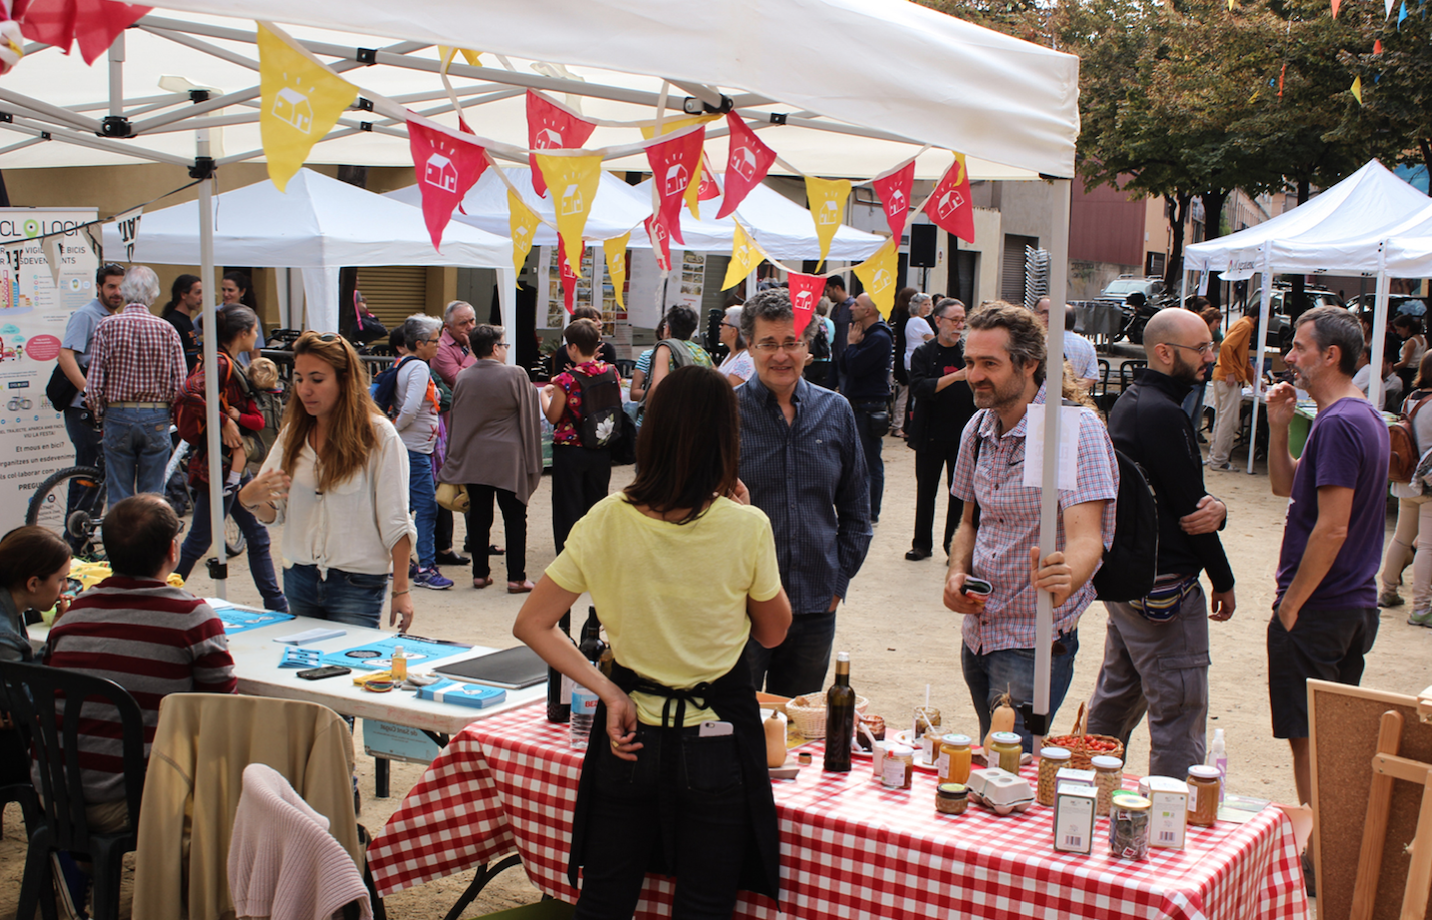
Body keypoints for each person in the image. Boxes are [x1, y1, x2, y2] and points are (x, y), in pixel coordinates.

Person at [513, 364, 792, 919]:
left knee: (606, 895)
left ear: (652, 431)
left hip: (630, 729)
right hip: (717, 733)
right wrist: (743, 514)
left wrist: (610, 693)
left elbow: (532, 623)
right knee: (705, 903)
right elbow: (774, 630)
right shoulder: (745, 524)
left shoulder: (606, 519)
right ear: (724, 438)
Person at [941, 301, 1118, 750]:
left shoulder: (1065, 429)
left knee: (1008, 763)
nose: (975, 375)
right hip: (980, 629)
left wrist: (1066, 575)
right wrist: (956, 571)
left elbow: (1087, 538)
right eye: (969, 363)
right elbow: (968, 522)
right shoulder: (978, 428)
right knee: (989, 754)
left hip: (1032, 635)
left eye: (989, 364)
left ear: (1029, 364)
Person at [1085, 309, 1236, 777]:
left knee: (1116, 698)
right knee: (1178, 712)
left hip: (1131, 581)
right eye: (1203, 348)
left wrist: (1215, 509)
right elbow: (1194, 514)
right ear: (1165, 353)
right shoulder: (1162, 412)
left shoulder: (1132, 401)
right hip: (1163, 587)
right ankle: (1170, 830)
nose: (1211, 357)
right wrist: (1223, 578)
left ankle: (1084, 792)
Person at [44, 494, 237, 834]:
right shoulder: (192, 617)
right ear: (173, 552)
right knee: (241, 775)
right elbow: (221, 712)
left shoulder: (73, 615)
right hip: (129, 801)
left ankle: (84, 873)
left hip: (54, 792)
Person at [1265, 305, 1389, 809]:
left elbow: (1332, 527)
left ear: (1330, 355)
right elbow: (1285, 487)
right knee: (1325, 739)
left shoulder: (1341, 422)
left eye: (1300, 347)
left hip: (1321, 607)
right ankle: (1328, 851)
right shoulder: (1354, 415)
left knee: (1311, 742)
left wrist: (1291, 606)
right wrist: (1278, 427)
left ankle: (1319, 854)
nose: (1291, 357)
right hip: (1349, 605)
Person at [736, 289, 871, 697]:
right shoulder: (725, 413)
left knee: (799, 726)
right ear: (749, 347)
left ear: (807, 346)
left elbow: (856, 510)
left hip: (815, 604)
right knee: (736, 722)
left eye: (792, 342)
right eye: (769, 344)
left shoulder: (836, 411)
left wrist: (836, 584)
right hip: (741, 606)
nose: (781, 355)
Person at [238, 332, 416, 631]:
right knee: (299, 673)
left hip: (356, 585)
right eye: (299, 378)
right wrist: (251, 500)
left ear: (344, 380)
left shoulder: (379, 436)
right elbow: (275, 514)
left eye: (317, 379)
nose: (305, 389)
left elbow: (396, 521)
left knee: (349, 674)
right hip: (299, 578)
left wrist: (401, 589)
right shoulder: (293, 434)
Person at [174, 307, 289, 613]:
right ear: (242, 333)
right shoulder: (221, 361)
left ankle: (277, 603)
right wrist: (224, 419)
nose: (257, 336)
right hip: (220, 465)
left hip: (226, 464)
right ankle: (162, 593)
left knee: (256, 536)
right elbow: (187, 392)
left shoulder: (224, 360)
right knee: (199, 540)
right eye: (255, 330)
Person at [441, 324, 542, 593]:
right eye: (504, 345)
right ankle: (516, 577)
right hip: (508, 456)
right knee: (515, 516)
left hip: (475, 455)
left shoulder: (463, 377)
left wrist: (454, 458)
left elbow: (458, 420)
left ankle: (480, 574)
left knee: (479, 516)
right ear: (495, 348)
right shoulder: (516, 374)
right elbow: (529, 415)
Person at [85, 266, 188, 503]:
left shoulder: (107, 326)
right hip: (156, 416)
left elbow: (94, 384)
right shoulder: (167, 329)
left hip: (118, 413)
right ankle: (152, 538)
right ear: (153, 294)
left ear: (124, 291)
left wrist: (101, 414)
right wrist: (169, 415)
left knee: (119, 493)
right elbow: (179, 384)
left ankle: (119, 538)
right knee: (152, 495)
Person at [542, 319, 621, 558]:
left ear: (573, 347)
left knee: (568, 506)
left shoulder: (564, 380)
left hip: (570, 449)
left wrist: (544, 397)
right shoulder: (611, 371)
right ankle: (594, 556)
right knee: (595, 504)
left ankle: (569, 559)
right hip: (601, 446)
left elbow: (554, 416)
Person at [906, 298, 974, 561]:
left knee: (959, 494)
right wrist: (955, 376)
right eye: (954, 320)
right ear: (937, 321)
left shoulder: (967, 353)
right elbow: (919, 388)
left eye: (962, 320)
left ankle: (952, 547)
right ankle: (921, 543)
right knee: (926, 491)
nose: (959, 326)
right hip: (929, 433)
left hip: (962, 435)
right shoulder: (924, 353)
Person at [393, 315, 452, 590]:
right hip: (413, 449)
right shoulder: (417, 369)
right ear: (419, 343)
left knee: (405, 507)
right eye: (434, 341)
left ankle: (402, 563)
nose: (438, 345)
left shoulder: (407, 365)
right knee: (427, 508)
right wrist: (394, 432)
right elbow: (410, 408)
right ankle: (426, 567)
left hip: (414, 449)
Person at [1379, 350, 1432, 618]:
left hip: (1406, 479)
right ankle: (1422, 607)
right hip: (1428, 485)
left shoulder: (1411, 399)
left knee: (1401, 538)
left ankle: (1388, 591)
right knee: (1427, 546)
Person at [431, 300, 479, 567]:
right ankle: (444, 547)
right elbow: (459, 379)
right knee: (448, 485)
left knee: (475, 484)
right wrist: (476, 354)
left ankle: (475, 538)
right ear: (447, 326)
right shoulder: (441, 349)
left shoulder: (465, 344)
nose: (470, 327)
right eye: (464, 323)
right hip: (450, 428)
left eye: (472, 321)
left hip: (473, 425)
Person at [839, 292, 894, 523]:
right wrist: (852, 347)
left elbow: (854, 366)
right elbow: (844, 364)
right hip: (859, 406)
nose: (852, 308)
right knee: (854, 461)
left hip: (868, 408)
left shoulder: (878, 337)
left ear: (868, 311)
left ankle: (871, 512)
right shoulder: (868, 336)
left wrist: (852, 346)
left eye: (857, 305)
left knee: (870, 461)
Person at [0, 526, 71, 663]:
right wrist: (56, 636)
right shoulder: (4, 639)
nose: (66, 587)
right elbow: (26, 683)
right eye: (61, 579)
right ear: (33, 584)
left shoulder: (12, 606)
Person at [1207, 308, 1262, 471]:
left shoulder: (1242, 324)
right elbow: (1226, 346)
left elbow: (1243, 359)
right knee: (1228, 421)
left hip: (1223, 376)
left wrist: (1255, 382)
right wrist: (1230, 371)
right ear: (1258, 317)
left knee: (1222, 418)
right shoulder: (1245, 326)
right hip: (1228, 377)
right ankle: (1219, 459)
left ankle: (1215, 457)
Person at [645, 304, 713, 402]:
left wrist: (648, 411)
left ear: (667, 328)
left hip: (673, 411)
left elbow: (657, 388)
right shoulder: (701, 352)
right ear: (693, 330)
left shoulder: (666, 349)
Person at [1038, 298, 1099, 391]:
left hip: (1047, 394)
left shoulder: (1045, 340)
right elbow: (1092, 376)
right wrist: (1073, 390)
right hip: (1074, 397)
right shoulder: (1087, 344)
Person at [894, 290, 933, 437]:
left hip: (909, 360)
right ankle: (915, 426)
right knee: (916, 397)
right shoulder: (920, 321)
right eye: (925, 304)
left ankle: (910, 426)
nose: (928, 307)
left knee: (910, 397)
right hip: (918, 361)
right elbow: (932, 340)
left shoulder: (911, 320)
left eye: (929, 304)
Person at [551, 305, 619, 378]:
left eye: (600, 319)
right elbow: (558, 379)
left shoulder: (607, 348)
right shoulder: (563, 351)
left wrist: (589, 366)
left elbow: (614, 376)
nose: (600, 323)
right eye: (594, 320)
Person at [161, 274, 203, 372]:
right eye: (197, 293)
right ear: (184, 294)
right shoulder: (174, 322)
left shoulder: (186, 320)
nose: (201, 298)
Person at [627, 318, 667, 406]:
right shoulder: (647, 356)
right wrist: (664, 397)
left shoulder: (691, 355)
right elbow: (634, 393)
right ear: (661, 333)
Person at [825, 276, 856, 389]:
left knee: (844, 391)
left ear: (837, 288)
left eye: (828, 290)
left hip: (846, 358)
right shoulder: (835, 308)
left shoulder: (853, 306)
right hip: (835, 358)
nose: (827, 294)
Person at [717, 305, 755, 386]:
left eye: (723, 324)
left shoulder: (747, 358)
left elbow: (729, 388)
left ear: (733, 331)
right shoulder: (732, 354)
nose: (719, 326)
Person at [1393, 313, 1427, 395]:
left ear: (1407, 328)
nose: (1398, 332)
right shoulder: (1423, 339)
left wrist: (1392, 367)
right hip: (1417, 371)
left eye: (1399, 329)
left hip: (1406, 374)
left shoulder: (1411, 342)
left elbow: (1405, 362)